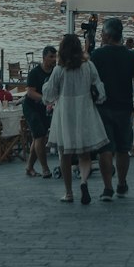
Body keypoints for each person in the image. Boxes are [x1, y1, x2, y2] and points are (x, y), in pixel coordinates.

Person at [44, 33, 108, 205]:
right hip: (84, 110)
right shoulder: (88, 66)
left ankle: (68, 192)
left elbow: (49, 95)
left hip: (65, 112)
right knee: (85, 154)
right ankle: (83, 181)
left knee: (64, 155)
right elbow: (99, 89)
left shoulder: (59, 70)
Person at [92, 16, 134, 201]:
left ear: (107, 36)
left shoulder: (97, 55)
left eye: (102, 33)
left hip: (102, 107)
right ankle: (122, 184)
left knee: (105, 149)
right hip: (125, 107)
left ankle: (107, 188)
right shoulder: (132, 56)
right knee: (123, 148)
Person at [22, 46, 57, 177]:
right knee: (40, 136)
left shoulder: (55, 72)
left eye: (55, 57)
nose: (54, 60)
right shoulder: (35, 73)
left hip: (44, 108)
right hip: (31, 107)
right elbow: (30, 92)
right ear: (44, 58)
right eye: (51, 57)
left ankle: (29, 167)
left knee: (39, 138)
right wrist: (46, 99)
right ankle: (45, 168)